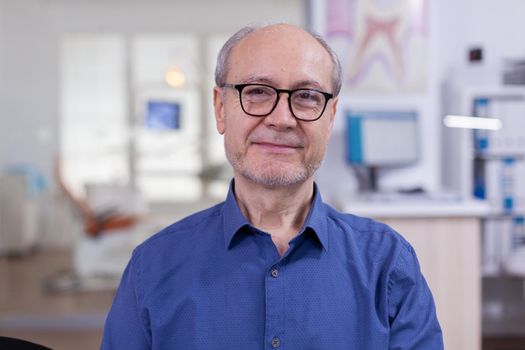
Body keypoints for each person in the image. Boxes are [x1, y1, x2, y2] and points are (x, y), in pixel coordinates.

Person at [101, 23, 443, 349]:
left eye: (307, 96)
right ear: (221, 108)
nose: (281, 118)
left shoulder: (389, 264)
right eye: (258, 92)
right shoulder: (153, 267)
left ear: (330, 117)